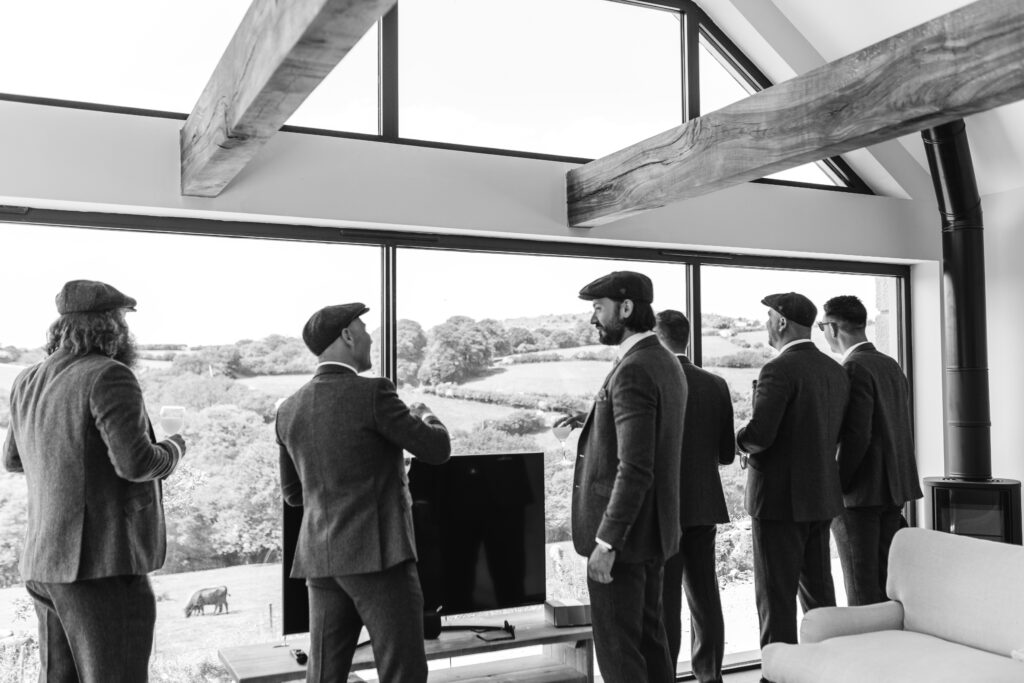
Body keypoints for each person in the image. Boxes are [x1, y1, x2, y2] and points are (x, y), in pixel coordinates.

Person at [2, 279, 186, 683]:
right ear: (113, 325)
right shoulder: (108, 374)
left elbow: (12, 460)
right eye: (122, 319)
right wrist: (174, 447)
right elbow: (137, 464)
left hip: (44, 566)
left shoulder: (27, 381)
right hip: (100, 565)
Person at [276, 303, 451, 683]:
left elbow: (293, 494)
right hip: (379, 558)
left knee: (324, 675)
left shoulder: (288, 409)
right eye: (364, 328)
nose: (371, 336)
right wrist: (425, 413)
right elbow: (437, 450)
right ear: (347, 336)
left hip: (321, 562)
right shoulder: (374, 392)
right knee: (402, 671)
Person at [556, 271, 687, 683]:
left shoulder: (632, 369)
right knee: (650, 644)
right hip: (653, 535)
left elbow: (634, 467)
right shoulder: (664, 361)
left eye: (598, 308)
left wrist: (607, 541)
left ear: (626, 308)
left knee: (619, 655)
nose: (593, 319)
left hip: (624, 542)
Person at [736, 292, 848, 647]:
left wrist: (735, 439)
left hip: (778, 502)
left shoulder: (777, 369)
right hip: (821, 497)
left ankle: (778, 674)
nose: (766, 325)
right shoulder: (835, 370)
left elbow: (760, 435)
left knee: (775, 598)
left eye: (769, 318)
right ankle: (825, 669)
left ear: (782, 322)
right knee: (819, 596)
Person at [820, 295, 922, 606]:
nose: (822, 332)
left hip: (860, 495)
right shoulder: (890, 365)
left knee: (862, 591)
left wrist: (838, 487)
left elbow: (857, 436)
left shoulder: (853, 368)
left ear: (835, 328)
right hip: (893, 491)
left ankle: (867, 653)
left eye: (822, 325)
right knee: (886, 586)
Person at [655, 309, 734, 683]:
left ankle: (665, 676)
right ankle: (710, 676)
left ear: (657, 336)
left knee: (665, 602)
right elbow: (727, 455)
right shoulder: (716, 383)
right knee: (705, 598)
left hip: (662, 511)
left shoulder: (654, 380)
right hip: (703, 506)